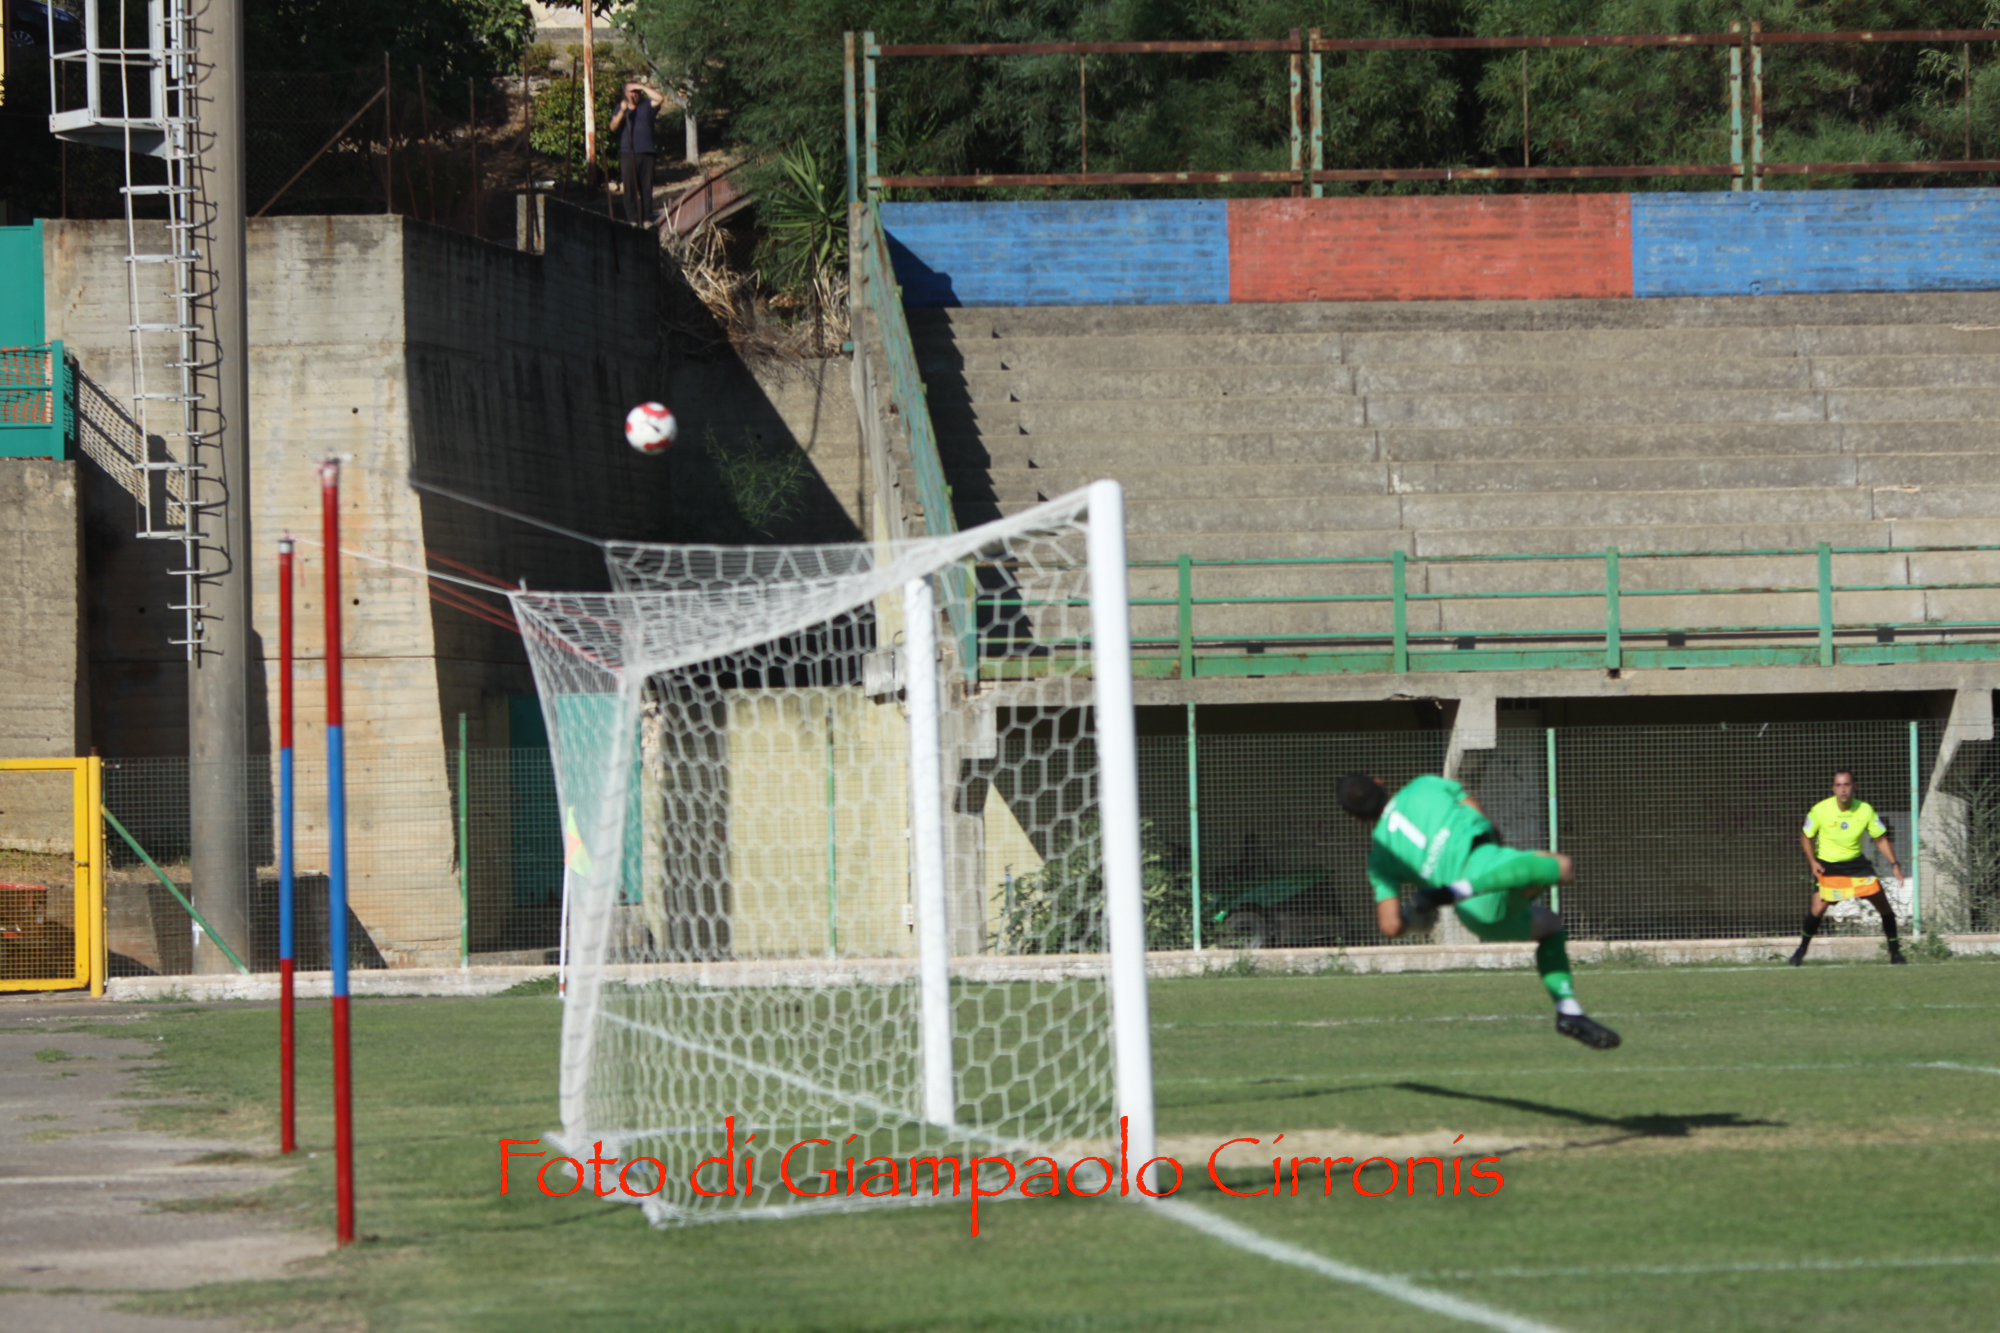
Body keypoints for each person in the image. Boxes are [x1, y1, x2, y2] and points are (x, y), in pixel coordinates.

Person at [1338, 772, 1621, 1050]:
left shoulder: (1379, 858)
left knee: (1550, 925)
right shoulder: (1424, 784)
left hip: (1477, 916)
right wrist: (1494, 845)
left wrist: (1414, 919)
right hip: (1485, 863)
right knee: (1562, 867)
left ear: (1357, 818)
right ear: (1379, 781)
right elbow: (1475, 808)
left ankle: (1569, 1012)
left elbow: (1390, 926)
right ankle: (1453, 891)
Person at [1792, 768, 1906, 966]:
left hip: (1856, 866)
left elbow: (1880, 839)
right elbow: (1805, 836)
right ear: (1833, 789)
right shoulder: (1820, 810)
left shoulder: (1865, 810)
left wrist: (1894, 864)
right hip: (1829, 867)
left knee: (1883, 904)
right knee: (1818, 907)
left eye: (1846, 785)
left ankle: (1895, 953)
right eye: (1839, 785)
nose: (1843, 789)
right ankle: (1800, 952)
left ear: (1854, 787)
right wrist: (1813, 862)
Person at [609, 82, 668, 225]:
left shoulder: (647, 106)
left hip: (647, 152)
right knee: (629, 187)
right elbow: (613, 127)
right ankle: (632, 219)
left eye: (637, 91)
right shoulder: (620, 108)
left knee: (646, 187)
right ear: (625, 93)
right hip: (628, 153)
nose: (634, 94)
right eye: (631, 91)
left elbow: (660, 98)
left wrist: (641, 87)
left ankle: (647, 218)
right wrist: (622, 111)